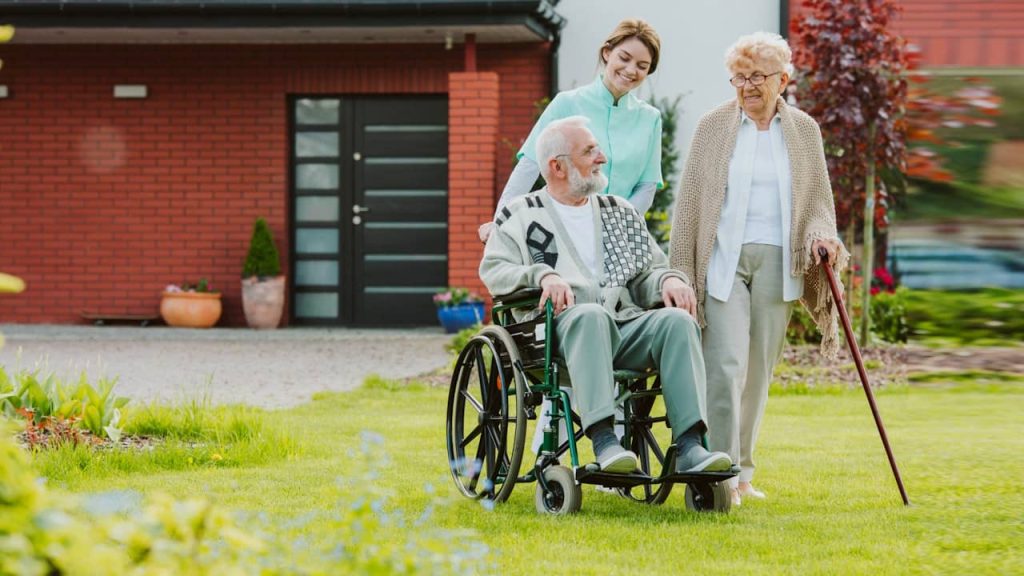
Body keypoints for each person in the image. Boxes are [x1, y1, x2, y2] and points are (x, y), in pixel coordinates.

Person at [480, 116, 732, 476]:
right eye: (589, 151)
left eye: (598, 149)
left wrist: (669, 281)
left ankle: (691, 446)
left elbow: (647, 271)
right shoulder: (520, 214)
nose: (602, 158)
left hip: (622, 327)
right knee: (589, 315)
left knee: (676, 321)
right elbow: (494, 271)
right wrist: (542, 274)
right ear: (557, 166)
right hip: (553, 336)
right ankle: (604, 441)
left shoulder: (619, 211)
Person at [669, 32, 848, 505]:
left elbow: (817, 201)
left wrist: (821, 235)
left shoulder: (804, 130)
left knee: (757, 371)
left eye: (757, 77)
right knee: (724, 366)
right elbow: (689, 203)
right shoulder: (712, 126)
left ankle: (744, 473)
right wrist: (681, 270)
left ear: (783, 80)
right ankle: (720, 470)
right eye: (739, 77)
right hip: (723, 257)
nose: (747, 86)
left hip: (778, 260)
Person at [478, 18, 664, 244]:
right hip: (566, 234)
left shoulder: (650, 118)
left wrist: (619, 228)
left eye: (642, 66)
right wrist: (500, 223)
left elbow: (647, 186)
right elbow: (529, 165)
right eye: (624, 58)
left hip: (620, 241)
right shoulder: (566, 103)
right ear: (607, 53)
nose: (631, 70)